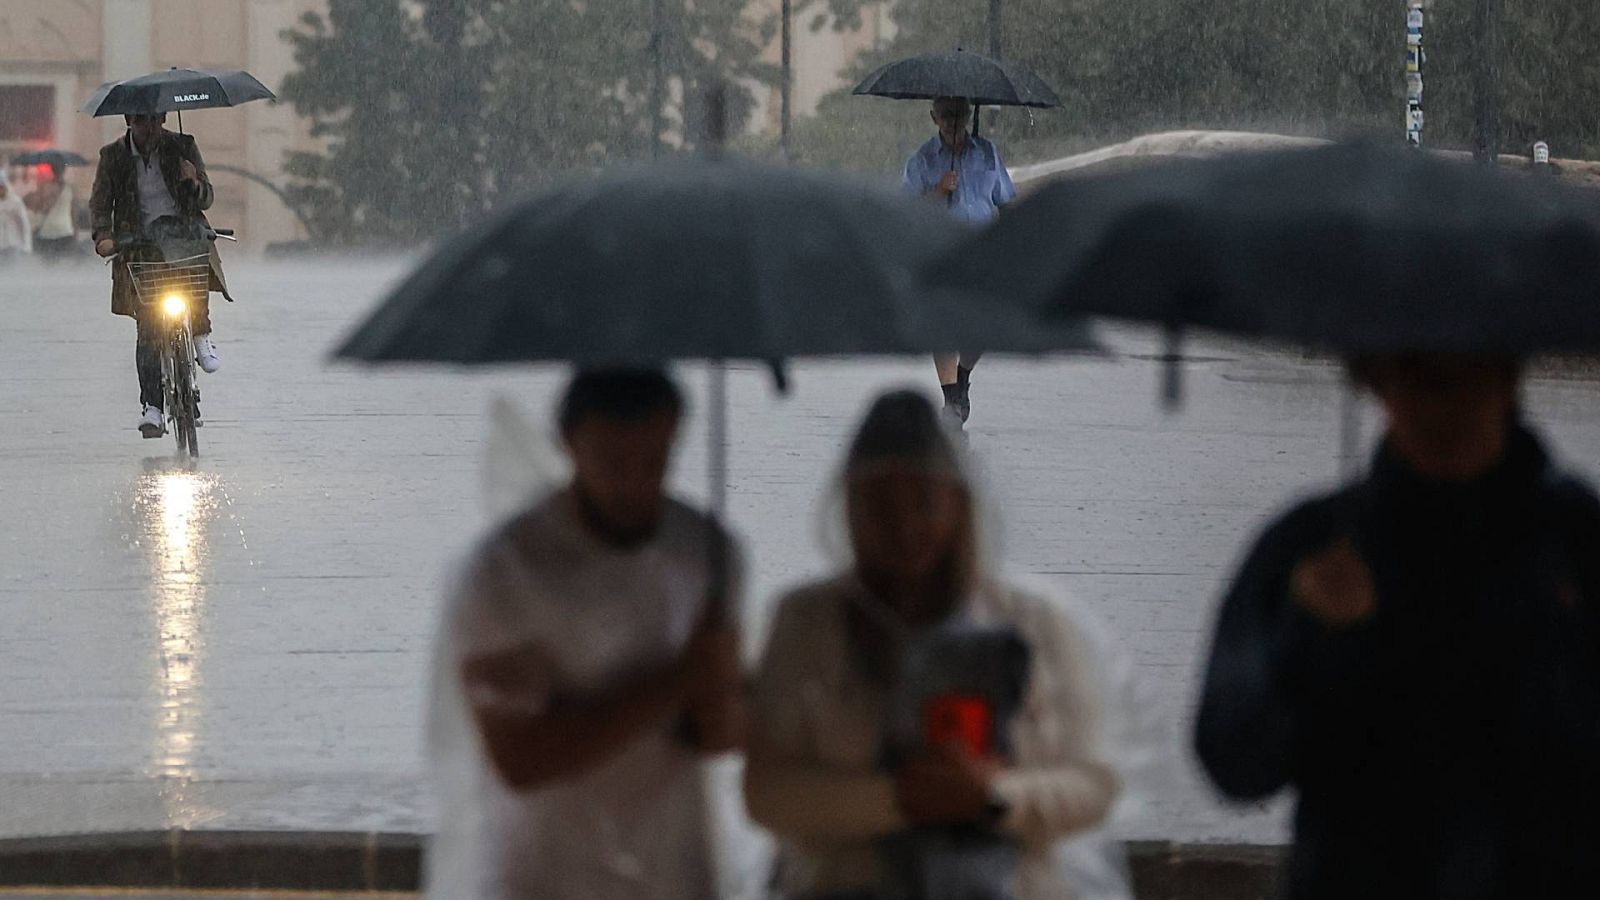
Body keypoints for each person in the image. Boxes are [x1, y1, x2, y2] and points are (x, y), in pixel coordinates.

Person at [1195, 355, 1600, 900]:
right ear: (1373, 382)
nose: (1439, 407)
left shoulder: (1578, 547)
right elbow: (1234, 761)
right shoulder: (1314, 547)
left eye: (1458, 378)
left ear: (1506, 376)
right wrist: (1313, 636)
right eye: (1413, 379)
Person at [745, 390, 1123, 899]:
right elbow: (769, 793)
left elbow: (1092, 784)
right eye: (880, 505)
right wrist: (900, 798)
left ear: (959, 505)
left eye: (923, 502)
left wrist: (993, 796)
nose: (903, 528)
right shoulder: (808, 620)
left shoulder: (1031, 620)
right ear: (849, 509)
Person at [426, 369, 749, 900]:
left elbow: (726, 726)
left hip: (679, 870)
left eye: (655, 461)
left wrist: (725, 713)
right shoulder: (505, 571)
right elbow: (521, 758)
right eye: (613, 463)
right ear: (568, 444)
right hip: (545, 876)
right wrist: (680, 680)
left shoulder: (710, 554)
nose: (636, 485)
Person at [90, 112, 230, 437]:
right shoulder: (113, 157)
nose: (148, 128)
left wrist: (193, 181)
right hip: (139, 245)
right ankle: (152, 406)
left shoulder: (182, 146)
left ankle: (200, 334)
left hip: (183, 237)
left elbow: (206, 198)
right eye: (141, 121)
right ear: (129, 121)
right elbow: (99, 202)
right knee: (149, 327)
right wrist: (102, 237)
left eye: (153, 120)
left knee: (195, 280)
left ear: (164, 118)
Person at [902, 97, 1017, 428]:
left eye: (959, 114)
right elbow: (907, 211)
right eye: (946, 115)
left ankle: (962, 375)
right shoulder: (921, 161)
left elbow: (1006, 199)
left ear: (969, 115)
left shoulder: (987, 153)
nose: (953, 121)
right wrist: (939, 191)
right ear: (934, 117)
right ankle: (951, 396)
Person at [28, 163, 80, 260]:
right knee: (65, 264)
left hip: (47, 232)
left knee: (48, 266)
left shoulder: (46, 187)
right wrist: (76, 231)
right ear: (64, 171)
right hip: (65, 230)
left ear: (52, 171)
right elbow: (74, 213)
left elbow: (38, 209)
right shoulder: (71, 188)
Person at [0, 171, 32, 262]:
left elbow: (24, 223)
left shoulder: (15, 202)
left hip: (13, 244)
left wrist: (27, 245)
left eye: (1, 187)